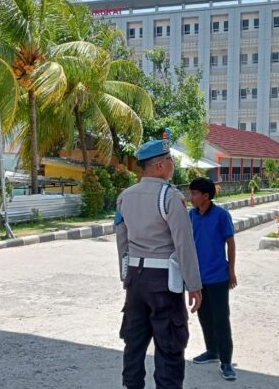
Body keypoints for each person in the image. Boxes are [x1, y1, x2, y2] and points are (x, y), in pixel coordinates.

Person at [115, 138, 203, 389]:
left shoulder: (125, 197)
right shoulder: (170, 197)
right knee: (169, 345)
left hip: (135, 279)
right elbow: (183, 244)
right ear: (160, 166)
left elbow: (122, 242)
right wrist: (194, 285)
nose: (172, 165)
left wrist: (126, 276)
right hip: (164, 283)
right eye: (171, 161)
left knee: (134, 342)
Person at [187, 177, 237, 381]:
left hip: (218, 276)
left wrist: (231, 271)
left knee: (221, 319)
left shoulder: (221, 215)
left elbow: (231, 244)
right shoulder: (191, 215)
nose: (191, 197)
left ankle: (226, 362)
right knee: (204, 317)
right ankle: (211, 351)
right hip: (198, 278)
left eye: (194, 194)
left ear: (205, 196)